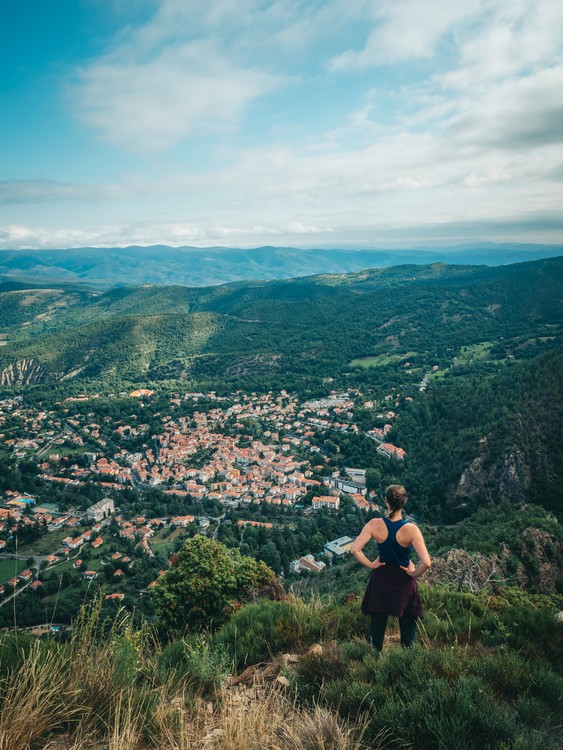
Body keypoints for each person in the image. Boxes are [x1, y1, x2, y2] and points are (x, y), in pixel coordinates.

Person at [351, 484, 431, 651]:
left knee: (376, 633)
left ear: (385, 501)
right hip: (404, 583)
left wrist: (372, 565)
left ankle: (371, 665)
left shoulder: (374, 524)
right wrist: (413, 573)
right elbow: (426, 562)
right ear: (404, 502)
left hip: (381, 582)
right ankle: (408, 668)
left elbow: (355, 550)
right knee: (408, 634)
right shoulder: (412, 529)